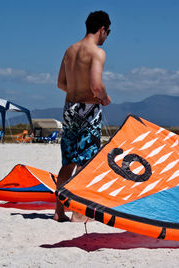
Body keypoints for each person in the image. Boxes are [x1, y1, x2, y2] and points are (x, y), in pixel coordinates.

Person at [53, 11, 112, 222]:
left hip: (69, 108)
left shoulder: (70, 50)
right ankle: (79, 212)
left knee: (68, 162)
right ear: (102, 29)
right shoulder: (97, 53)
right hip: (88, 110)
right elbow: (97, 86)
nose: (107, 37)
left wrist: (77, 91)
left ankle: (59, 212)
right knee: (87, 162)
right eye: (108, 32)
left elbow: (60, 83)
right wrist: (104, 98)